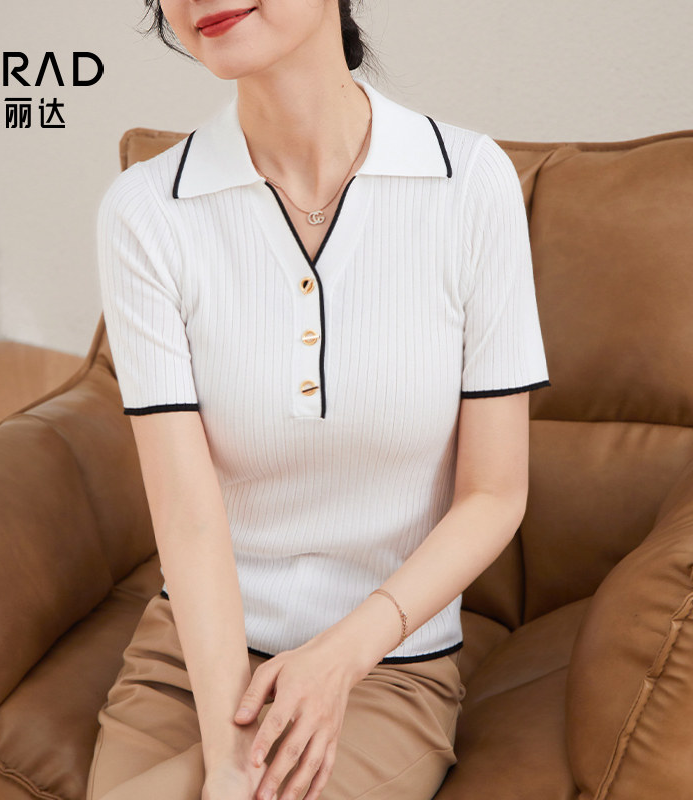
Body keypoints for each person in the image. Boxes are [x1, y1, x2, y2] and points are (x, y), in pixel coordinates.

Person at [87, 1, 551, 799]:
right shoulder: (147, 210)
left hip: (386, 663)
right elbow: (188, 519)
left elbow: (495, 493)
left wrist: (340, 656)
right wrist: (228, 759)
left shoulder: (468, 183)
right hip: (194, 656)